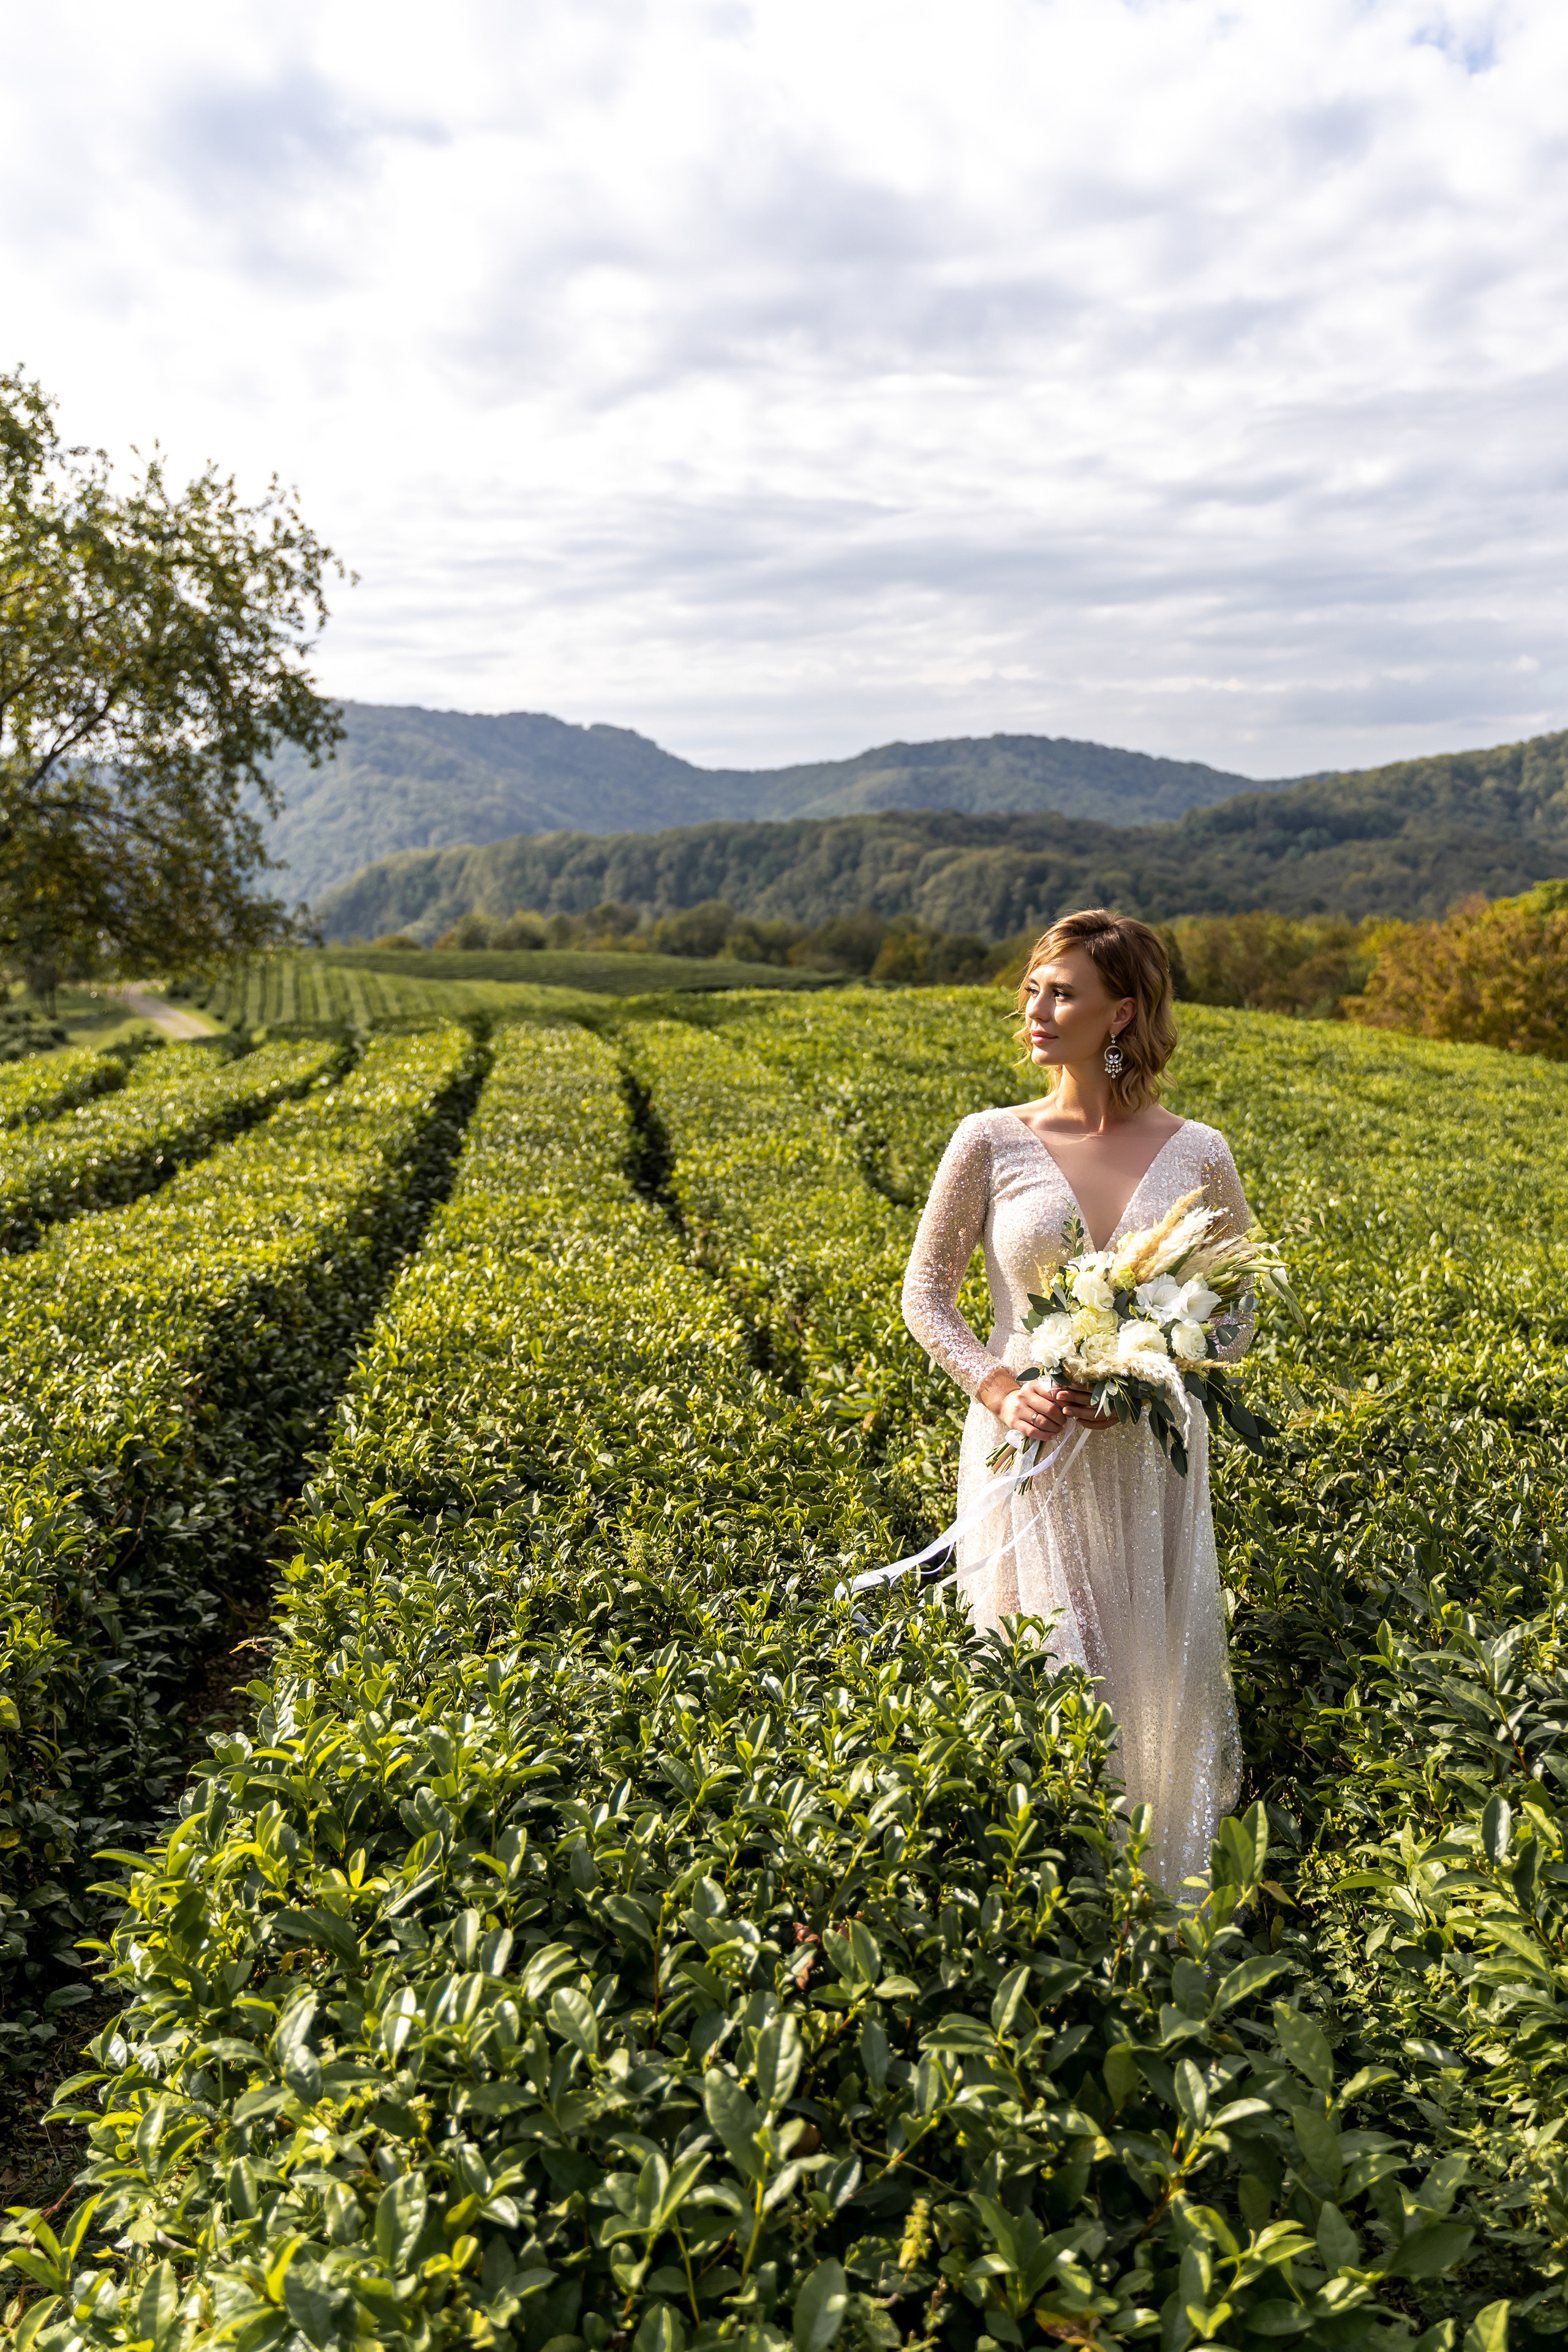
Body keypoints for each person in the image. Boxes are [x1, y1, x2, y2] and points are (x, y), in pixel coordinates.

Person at [900, 907, 1250, 1891]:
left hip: (1145, 1459)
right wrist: (1002, 1388)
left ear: (1122, 1014)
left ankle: (1152, 1901)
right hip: (1024, 1446)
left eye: (1063, 993)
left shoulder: (1200, 1153)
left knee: (1143, 1677)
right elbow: (925, 1297)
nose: (1036, 1009)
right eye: (1032, 989)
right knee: (1045, 1670)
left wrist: (1154, 1372)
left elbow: (1235, 1315)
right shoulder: (988, 1139)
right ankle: (1050, 1896)